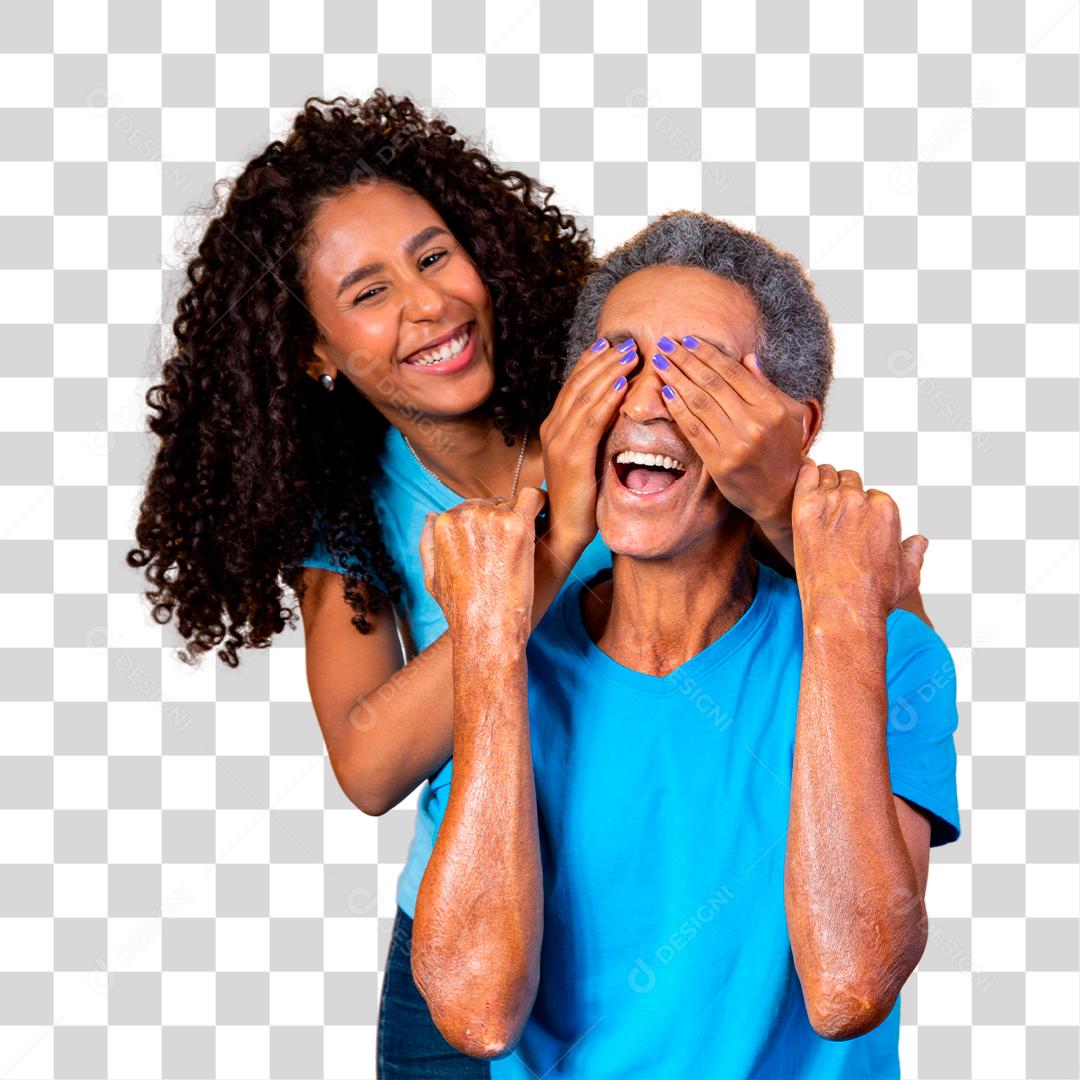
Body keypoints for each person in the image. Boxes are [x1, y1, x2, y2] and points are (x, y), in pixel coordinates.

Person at [126, 89, 930, 1075]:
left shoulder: (612, 387)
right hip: (476, 907)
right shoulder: (349, 512)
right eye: (368, 293)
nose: (426, 306)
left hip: (673, 893)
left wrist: (771, 501)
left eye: (433, 257)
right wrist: (548, 549)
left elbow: (871, 611)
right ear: (314, 350)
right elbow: (369, 767)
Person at [411, 211, 961, 1079]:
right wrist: (484, 641)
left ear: (794, 428)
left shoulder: (885, 653)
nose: (641, 403)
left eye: (696, 374)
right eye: (616, 364)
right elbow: (476, 1015)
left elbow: (850, 987)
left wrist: (843, 609)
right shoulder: (505, 658)